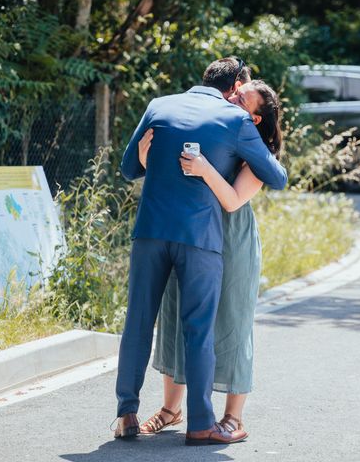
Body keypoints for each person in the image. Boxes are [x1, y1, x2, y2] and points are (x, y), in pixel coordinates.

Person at [114, 57, 287, 446]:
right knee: (198, 329)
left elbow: (128, 169)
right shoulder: (234, 120)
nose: (240, 98)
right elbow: (278, 176)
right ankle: (200, 424)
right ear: (233, 87)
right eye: (240, 91)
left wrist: (145, 158)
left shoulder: (159, 105)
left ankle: (126, 415)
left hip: (151, 232)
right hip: (199, 238)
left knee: (139, 323)